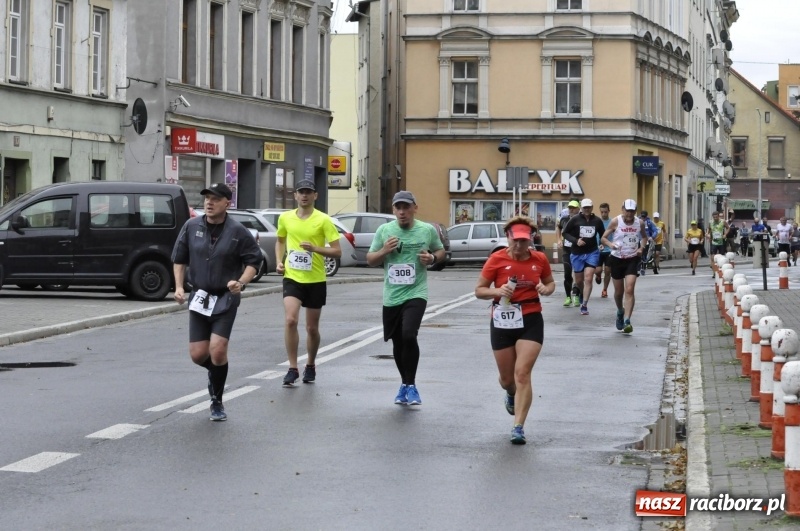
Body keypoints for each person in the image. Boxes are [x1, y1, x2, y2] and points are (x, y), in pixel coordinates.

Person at [172, 183, 262, 421]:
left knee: (218, 350)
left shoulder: (238, 231)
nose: (209, 203)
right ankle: (217, 374)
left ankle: (217, 402)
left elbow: (254, 261)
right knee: (197, 354)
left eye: (215, 199)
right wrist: (179, 287)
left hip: (225, 297)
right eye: (206, 199)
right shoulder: (191, 227)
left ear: (227, 203)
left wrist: (241, 282)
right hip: (200, 297)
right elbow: (179, 259)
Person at [475, 216, 556, 444]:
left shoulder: (539, 259)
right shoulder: (496, 259)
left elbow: (550, 283)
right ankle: (510, 393)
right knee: (507, 379)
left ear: (531, 239)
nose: (520, 246)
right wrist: (497, 291)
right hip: (502, 321)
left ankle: (518, 427)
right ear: (508, 237)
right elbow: (479, 290)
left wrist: (545, 289)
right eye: (516, 240)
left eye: (524, 240)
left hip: (530, 318)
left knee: (522, 373)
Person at [366, 191, 445, 406]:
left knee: (409, 334)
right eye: (398, 208)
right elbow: (371, 260)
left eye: (406, 207)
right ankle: (405, 383)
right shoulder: (384, 230)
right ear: (393, 210)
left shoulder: (426, 230)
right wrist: (384, 250)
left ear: (414, 208)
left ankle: (411, 385)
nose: (402, 212)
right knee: (398, 341)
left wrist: (431, 258)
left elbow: (440, 251)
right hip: (392, 296)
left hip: (416, 292)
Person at [275, 179, 342, 387]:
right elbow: (280, 240)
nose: (304, 195)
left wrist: (315, 249)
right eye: (301, 192)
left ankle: (310, 364)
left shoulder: (323, 220)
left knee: (312, 328)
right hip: (293, 276)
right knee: (290, 320)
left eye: (308, 192)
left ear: (315, 196)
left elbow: (337, 251)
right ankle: (292, 368)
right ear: (295, 195)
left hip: (315, 279)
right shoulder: (285, 218)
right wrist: (279, 261)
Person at [601, 200, 648, 333]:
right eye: (627, 210)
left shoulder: (640, 223)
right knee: (618, 292)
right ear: (622, 209)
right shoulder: (616, 221)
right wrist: (611, 245)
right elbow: (603, 238)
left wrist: (641, 248)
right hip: (616, 258)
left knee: (630, 289)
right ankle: (620, 311)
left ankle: (627, 320)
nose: (629, 214)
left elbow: (644, 237)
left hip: (632, 258)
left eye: (632, 211)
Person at [561, 198, 606, 316]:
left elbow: (603, 234)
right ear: (581, 208)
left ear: (592, 208)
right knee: (579, 280)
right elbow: (565, 233)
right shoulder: (575, 219)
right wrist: (576, 241)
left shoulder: (597, 221)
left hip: (592, 252)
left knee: (589, 277)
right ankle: (581, 294)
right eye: (584, 208)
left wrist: (602, 243)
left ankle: (584, 304)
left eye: (588, 207)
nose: (586, 210)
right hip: (577, 253)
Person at [555, 199, 580, 307]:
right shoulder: (564, 218)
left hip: (579, 250)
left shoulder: (582, 219)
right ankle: (568, 297)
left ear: (578, 209)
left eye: (574, 208)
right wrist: (559, 240)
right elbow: (558, 227)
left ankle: (577, 295)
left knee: (579, 274)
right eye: (570, 207)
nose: (571, 210)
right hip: (567, 249)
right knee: (567, 273)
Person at [596, 202, 613, 297]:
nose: (603, 214)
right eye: (602, 212)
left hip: (609, 250)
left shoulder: (612, 222)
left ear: (608, 211)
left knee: (607, 270)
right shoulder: (597, 221)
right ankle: (598, 275)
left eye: (605, 212)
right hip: (598, 250)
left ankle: (604, 289)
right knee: (598, 270)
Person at [706, 211, 728, 276]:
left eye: (716, 217)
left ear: (718, 216)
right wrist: (707, 234)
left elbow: (728, 228)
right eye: (714, 217)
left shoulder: (722, 221)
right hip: (713, 242)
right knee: (713, 257)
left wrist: (725, 234)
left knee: (721, 257)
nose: (715, 218)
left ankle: (721, 270)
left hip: (721, 242)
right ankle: (714, 272)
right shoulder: (711, 222)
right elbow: (709, 229)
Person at [638, 211, 658, 276]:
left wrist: (652, 237)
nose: (643, 218)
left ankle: (643, 267)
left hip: (646, 240)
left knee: (644, 252)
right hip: (637, 239)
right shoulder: (636, 221)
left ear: (646, 216)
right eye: (642, 216)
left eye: (644, 217)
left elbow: (655, 230)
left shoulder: (650, 223)